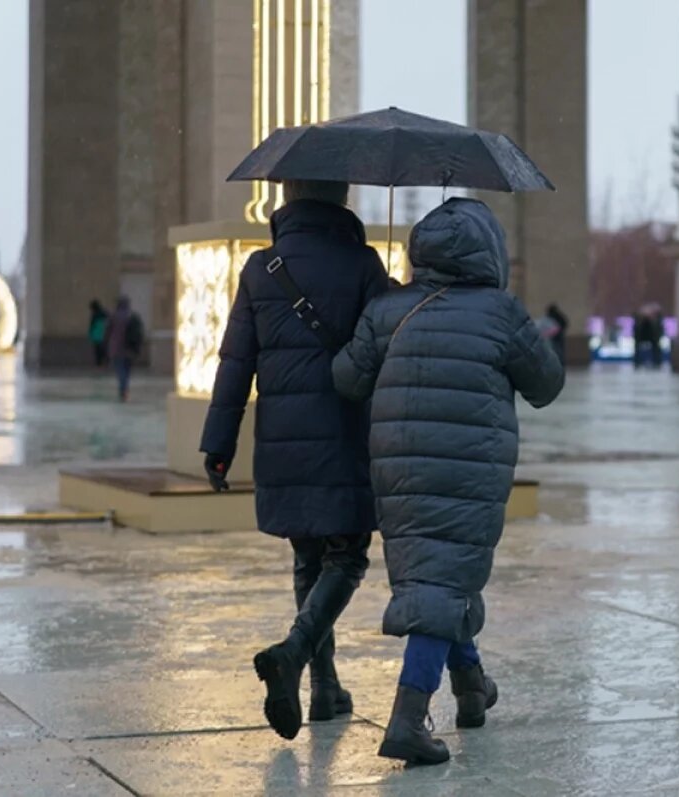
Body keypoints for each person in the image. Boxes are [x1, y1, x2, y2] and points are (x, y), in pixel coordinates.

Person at [333, 198, 565, 765]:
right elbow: (547, 384)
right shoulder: (500, 313)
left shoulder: (391, 308)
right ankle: (408, 718)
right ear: (490, 253)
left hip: (398, 465)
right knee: (445, 576)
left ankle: (471, 691)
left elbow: (346, 378)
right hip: (470, 463)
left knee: (439, 575)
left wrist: (379, 310)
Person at [200, 179, 389, 741]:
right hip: (344, 432)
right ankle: (296, 653)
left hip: (281, 439)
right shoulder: (362, 263)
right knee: (348, 555)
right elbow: (382, 347)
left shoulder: (262, 268)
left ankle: (325, 688)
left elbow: (236, 361)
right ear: (342, 198)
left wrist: (219, 442)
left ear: (288, 197)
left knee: (309, 557)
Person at [105, 296, 144, 401]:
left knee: (120, 370)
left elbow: (107, 332)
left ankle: (123, 390)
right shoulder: (132, 316)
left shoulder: (113, 316)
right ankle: (125, 389)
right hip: (130, 348)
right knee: (127, 370)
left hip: (116, 348)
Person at [89, 300, 109, 367]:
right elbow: (108, 322)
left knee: (97, 349)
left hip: (97, 334)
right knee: (104, 348)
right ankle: (106, 361)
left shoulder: (94, 314)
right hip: (104, 333)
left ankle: (99, 362)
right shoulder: (104, 312)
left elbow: (92, 325)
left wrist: (90, 333)